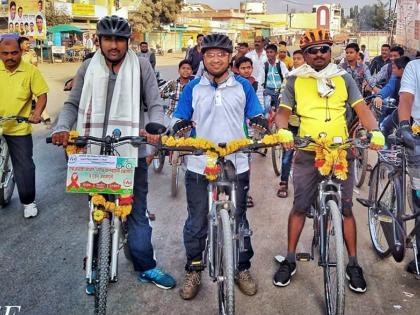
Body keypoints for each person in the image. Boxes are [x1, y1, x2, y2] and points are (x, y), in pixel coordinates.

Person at [51, 15, 176, 293]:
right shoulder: (87, 67)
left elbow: (155, 105)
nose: (114, 45)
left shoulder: (141, 66)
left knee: (137, 213)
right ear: (98, 40)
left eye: (120, 39)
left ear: (128, 41)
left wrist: (155, 130)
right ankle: (95, 265)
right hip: (93, 151)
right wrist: (62, 128)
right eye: (108, 38)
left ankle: (145, 266)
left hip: (130, 150)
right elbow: (72, 104)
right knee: (97, 211)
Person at [273, 29, 384, 293]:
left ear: (330, 51)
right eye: (312, 51)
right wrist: (284, 130)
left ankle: (353, 264)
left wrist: (375, 131)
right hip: (308, 150)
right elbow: (282, 112)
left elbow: (362, 109)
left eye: (324, 49)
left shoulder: (343, 77)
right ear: (305, 55)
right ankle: (290, 259)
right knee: (299, 206)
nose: (319, 54)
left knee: (346, 210)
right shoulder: (294, 79)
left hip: (340, 150)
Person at [173, 33, 265, 300]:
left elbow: (256, 113)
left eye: (221, 54)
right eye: (210, 54)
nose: (215, 59)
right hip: (200, 163)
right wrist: (178, 126)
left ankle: (241, 268)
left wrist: (262, 124)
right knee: (196, 220)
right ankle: (193, 269)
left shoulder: (243, 87)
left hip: (236, 162)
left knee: (240, 220)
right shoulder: (192, 88)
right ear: (203, 56)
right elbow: (179, 117)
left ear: (229, 58)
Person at [0, 36, 49, 218]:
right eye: (5, 53)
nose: (10, 57)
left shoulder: (30, 71)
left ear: (20, 52)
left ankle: (28, 202)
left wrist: (37, 113)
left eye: (14, 53)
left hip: (18, 126)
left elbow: (42, 95)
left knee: (24, 165)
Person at [397, 58, 420, 275]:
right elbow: (405, 100)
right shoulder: (415, 67)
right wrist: (404, 126)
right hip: (418, 138)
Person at [373, 56, 411, 148]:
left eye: (394, 68)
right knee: (384, 126)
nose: (392, 70)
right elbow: (389, 87)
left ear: (402, 69)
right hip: (401, 110)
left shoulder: (414, 79)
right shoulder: (396, 78)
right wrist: (380, 96)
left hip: (415, 113)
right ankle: (385, 153)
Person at [19, 36, 52, 128]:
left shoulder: (31, 53)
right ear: (20, 45)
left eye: (29, 43)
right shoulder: (16, 54)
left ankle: (46, 118)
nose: (28, 45)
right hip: (20, 80)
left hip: (31, 78)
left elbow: (34, 65)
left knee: (39, 97)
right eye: (26, 44)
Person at [263, 44, 288, 117]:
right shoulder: (264, 65)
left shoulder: (280, 64)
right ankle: (267, 125)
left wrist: (283, 90)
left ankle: (277, 126)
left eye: (271, 52)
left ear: (276, 53)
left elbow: (286, 76)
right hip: (268, 90)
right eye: (267, 52)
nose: (269, 54)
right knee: (266, 108)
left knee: (279, 110)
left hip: (279, 90)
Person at [245, 36, 267, 105]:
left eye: (259, 41)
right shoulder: (248, 56)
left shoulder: (268, 55)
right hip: (252, 84)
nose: (257, 43)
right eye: (255, 41)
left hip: (266, 85)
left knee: (265, 105)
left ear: (263, 43)